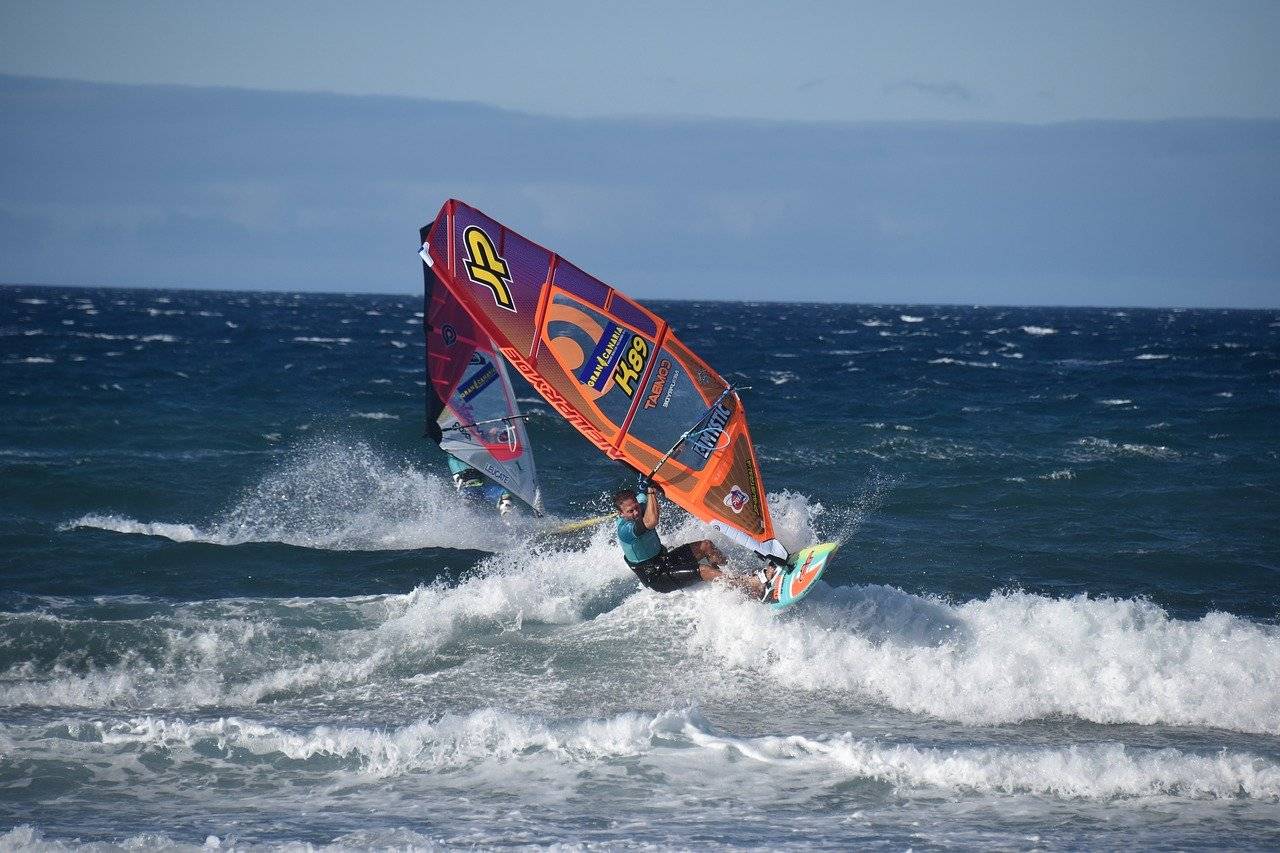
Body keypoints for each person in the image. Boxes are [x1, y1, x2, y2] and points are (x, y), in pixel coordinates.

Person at [613, 483, 775, 599]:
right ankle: (749, 587)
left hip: (664, 558)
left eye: (636, 507)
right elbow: (651, 521)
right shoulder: (625, 531)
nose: (636, 512)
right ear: (621, 514)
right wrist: (650, 492)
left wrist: (649, 484)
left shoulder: (639, 504)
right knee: (703, 569)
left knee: (706, 546)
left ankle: (733, 576)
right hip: (655, 576)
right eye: (630, 511)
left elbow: (647, 500)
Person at [446, 454, 514, 516]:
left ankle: (505, 510)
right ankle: (505, 509)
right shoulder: (453, 460)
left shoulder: (453, 459)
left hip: (475, 489)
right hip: (471, 490)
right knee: (504, 494)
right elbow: (457, 477)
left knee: (504, 494)